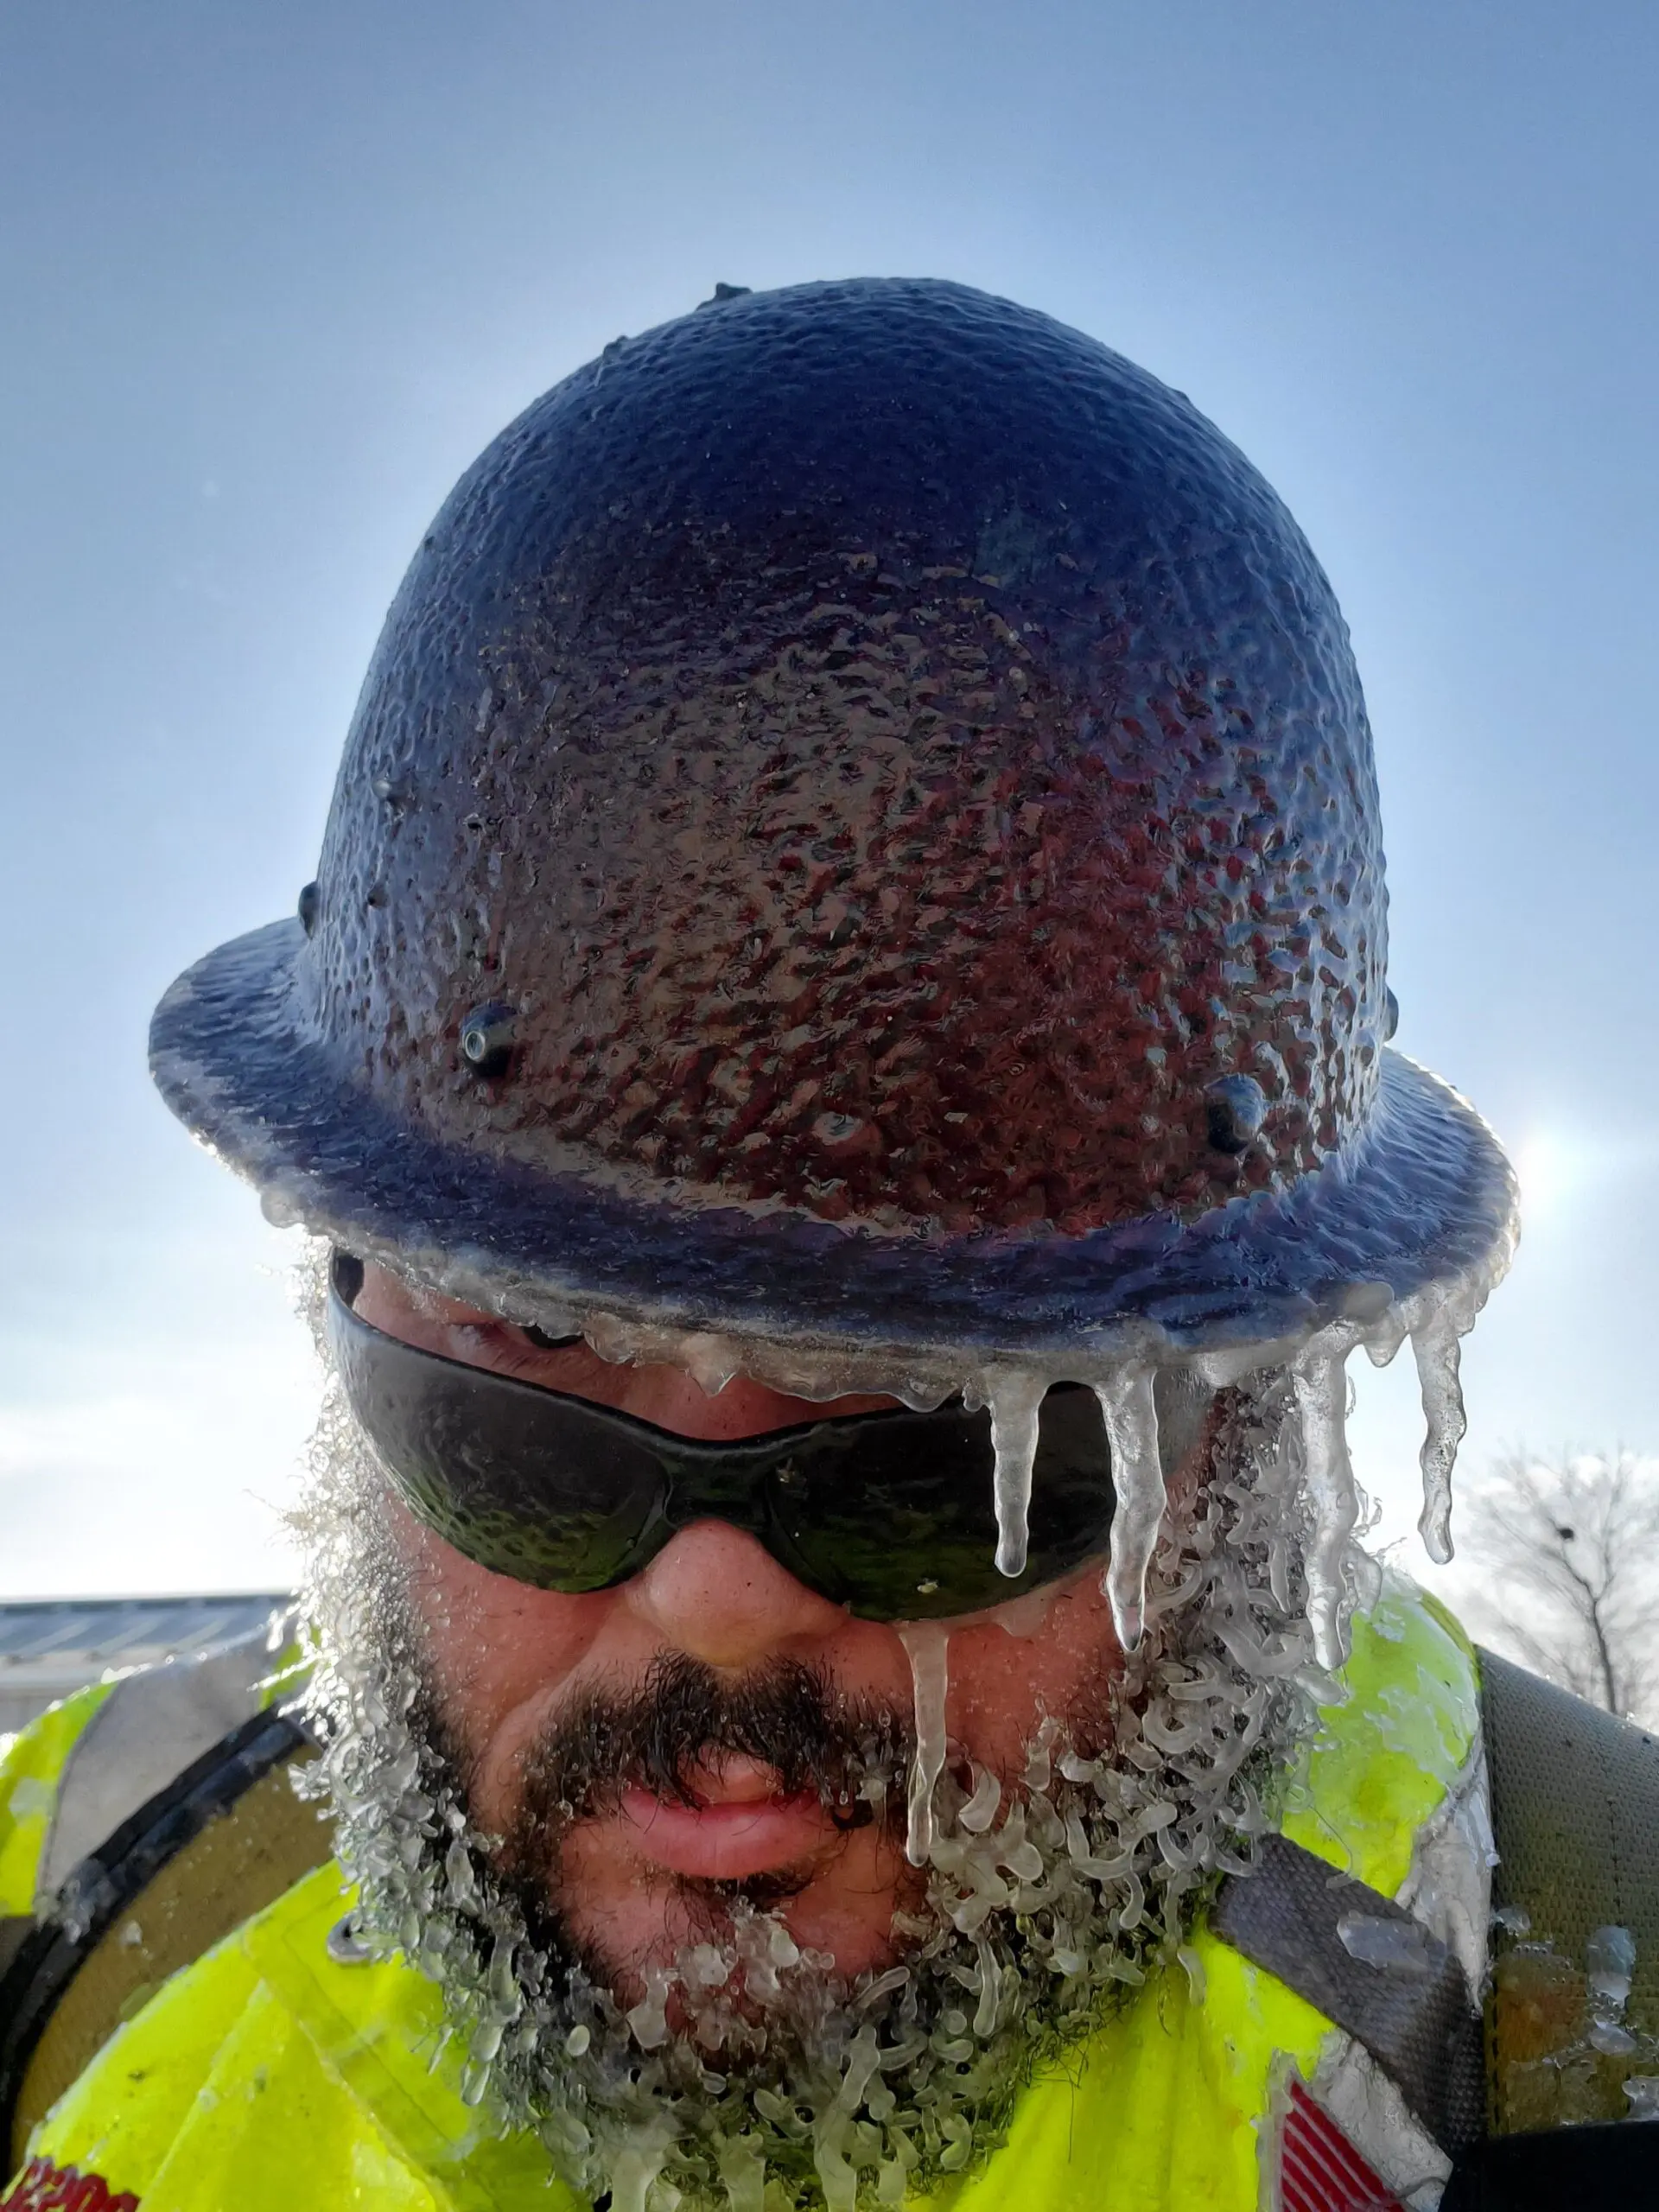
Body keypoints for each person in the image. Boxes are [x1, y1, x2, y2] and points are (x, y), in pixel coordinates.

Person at [1, 278, 1655, 2212]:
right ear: (346, 1307)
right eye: (523, 1384)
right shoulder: (80, 1900)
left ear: (1245, 1449)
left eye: (950, 1442)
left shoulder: (1576, 2009)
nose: (715, 1602)